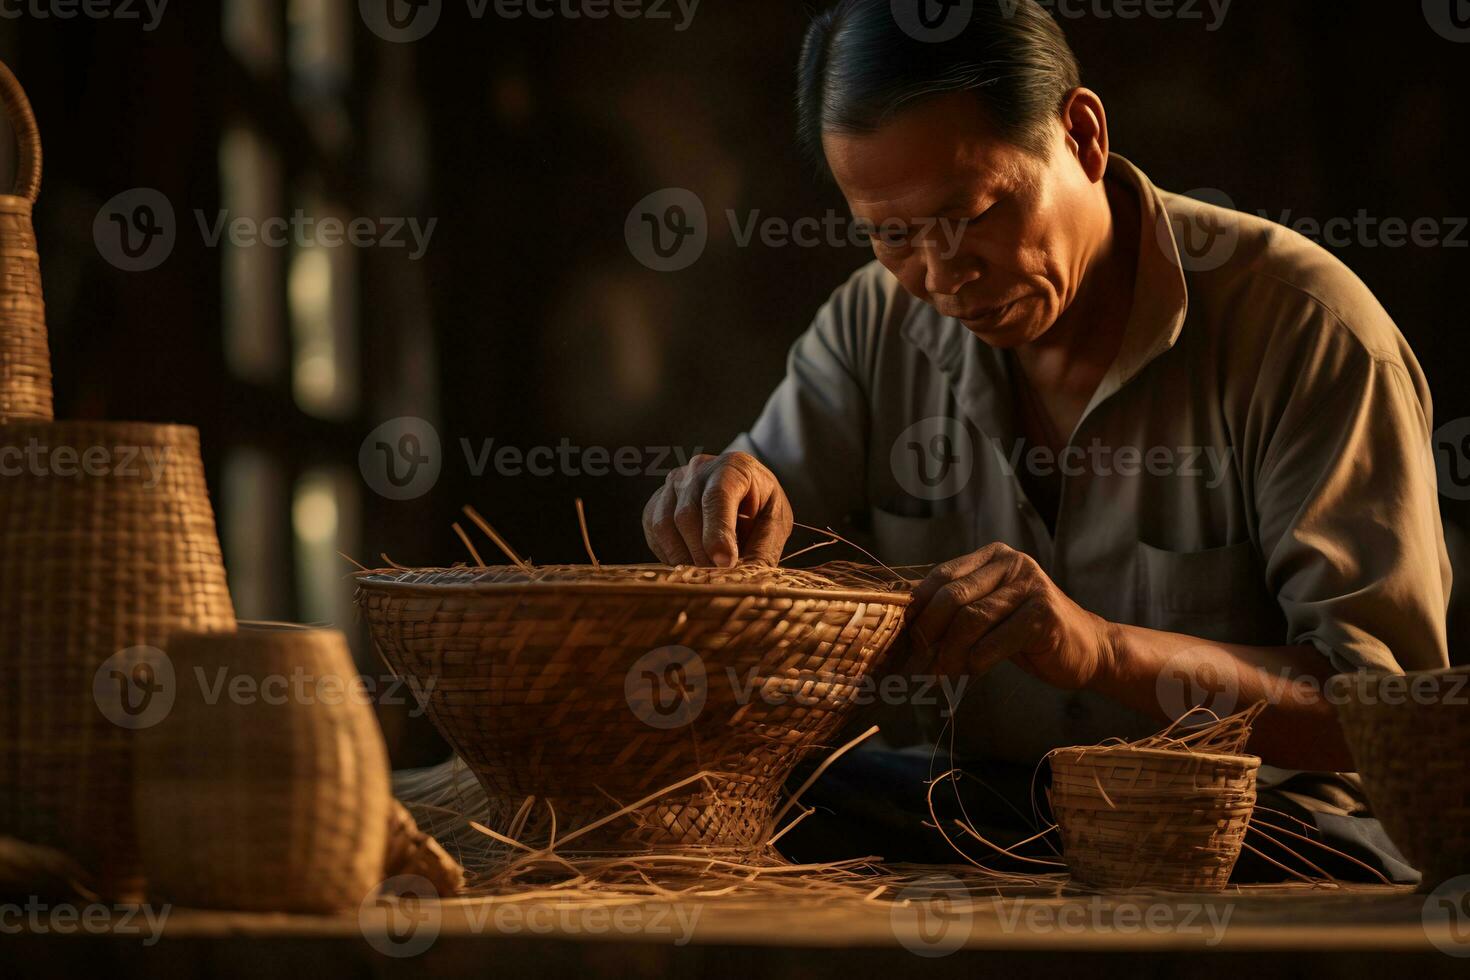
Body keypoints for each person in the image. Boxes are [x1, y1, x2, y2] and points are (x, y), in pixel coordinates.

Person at [640, 0, 1448, 880]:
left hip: (1255, 829)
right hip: (980, 811)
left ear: (1083, 136)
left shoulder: (1307, 331)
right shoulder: (872, 326)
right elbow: (765, 547)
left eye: (976, 211)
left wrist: (1104, 651)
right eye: (893, 234)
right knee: (736, 802)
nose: (943, 277)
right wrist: (729, 514)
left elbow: (1387, 717)